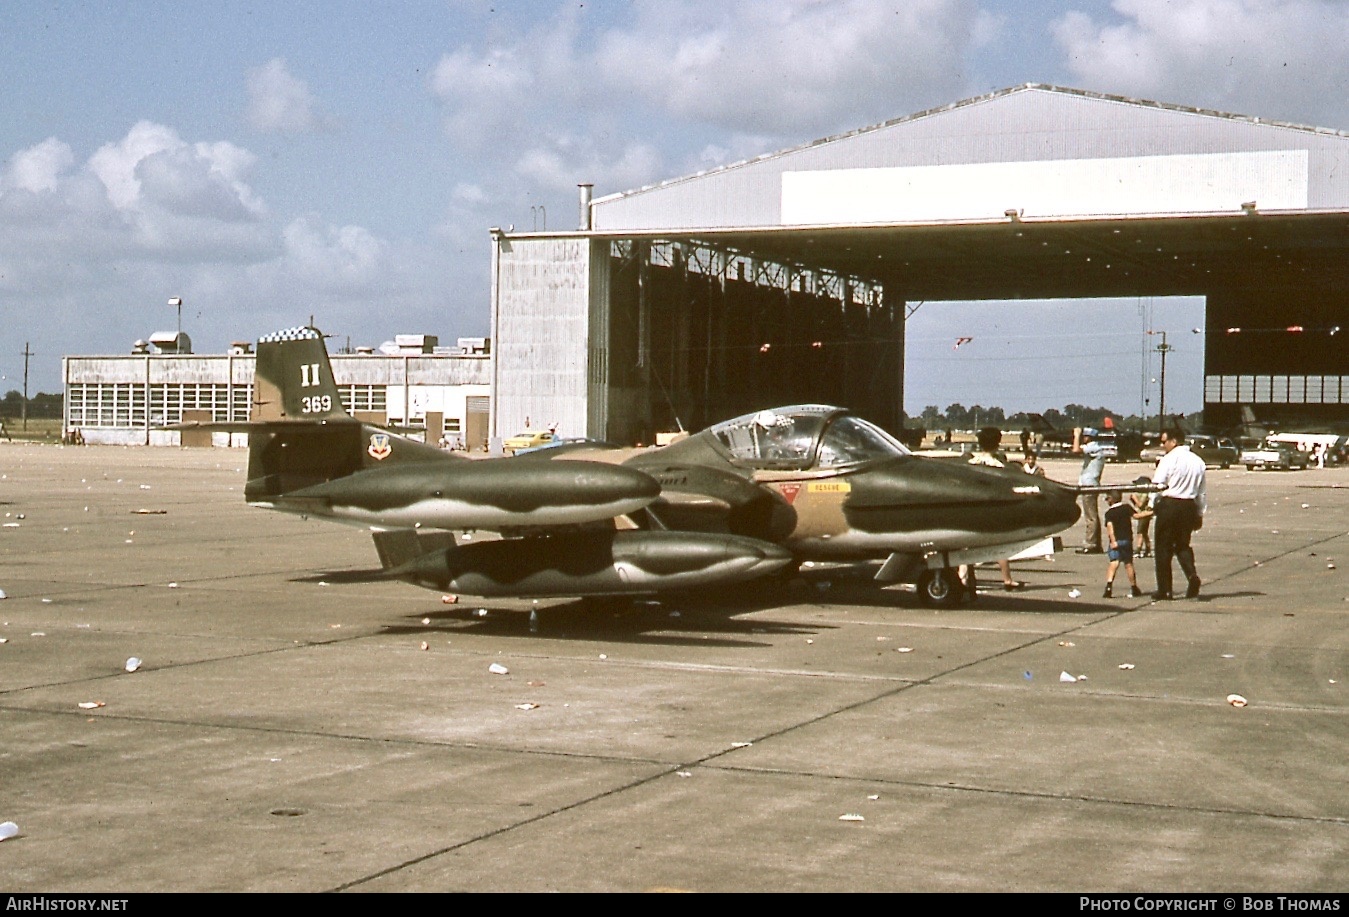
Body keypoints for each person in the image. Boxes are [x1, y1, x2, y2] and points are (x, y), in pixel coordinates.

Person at [963, 426, 1024, 593]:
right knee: (999, 546)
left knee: (967, 546)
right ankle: (1007, 579)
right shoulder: (999, 464)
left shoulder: (970, 462)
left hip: (972, 508)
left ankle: (965, 579)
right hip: (992, 509)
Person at [1150, 428, 1206, 600]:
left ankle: (1165, 589)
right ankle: (1192, 575)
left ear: (1173, 441)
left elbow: (1158, 485)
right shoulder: (1198, 462)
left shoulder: (1168, 460)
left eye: (1164, 441)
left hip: (1170, 505)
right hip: (1188, 506)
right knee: (1183, 545)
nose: (1162, 445)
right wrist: (1199, 513)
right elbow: (1201, 492)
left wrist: (1153, 504)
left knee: (1163, 548)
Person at [1102, 489, 1145, 598]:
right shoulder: (1126, 508)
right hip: (1127, 540)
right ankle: (1134, 587)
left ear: (1111, 500)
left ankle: (1108, 587)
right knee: (1128, 564)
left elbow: (1110, 529)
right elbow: (1137, 516)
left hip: (1117, 540)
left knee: (1114, 563)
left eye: (1107, 498)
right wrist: (1151, 512)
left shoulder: (1109, 513)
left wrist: (1113, 541)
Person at [1073, 427, 1107, 554]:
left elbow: (1075, 450)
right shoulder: (1095, 447)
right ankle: (1096, 543)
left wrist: (1076, 435)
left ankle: (1091, 544)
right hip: (1090, 484)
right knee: (1093, 515)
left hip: (1089, 485)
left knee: (1090, 517)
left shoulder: (1093, 447)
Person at [1130, 476, 1155, 557]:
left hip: (1145, 514)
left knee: (1140, 531)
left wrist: (1134, 498)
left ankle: (1138, 548)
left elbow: (1140, 504)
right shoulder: (1141, 494)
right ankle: (1148, 548)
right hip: (1142, 513)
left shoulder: (1145, 494)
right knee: (1144, 532)